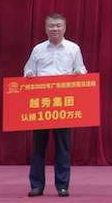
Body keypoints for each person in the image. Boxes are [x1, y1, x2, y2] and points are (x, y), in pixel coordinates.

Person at [22, 13, 87, 198]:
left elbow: (82, 69)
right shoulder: (38, 49)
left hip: (63, 103)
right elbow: (28, 69)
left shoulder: (73, 48)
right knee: (38, 148)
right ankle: (37, 185)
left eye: (58, 25)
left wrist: (79, 72)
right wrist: (28, 74)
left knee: (63, 147)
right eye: (51, 26)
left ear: (64, 28)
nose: (55, 29)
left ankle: (62, 186)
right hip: (41, 104)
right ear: (46, 28)